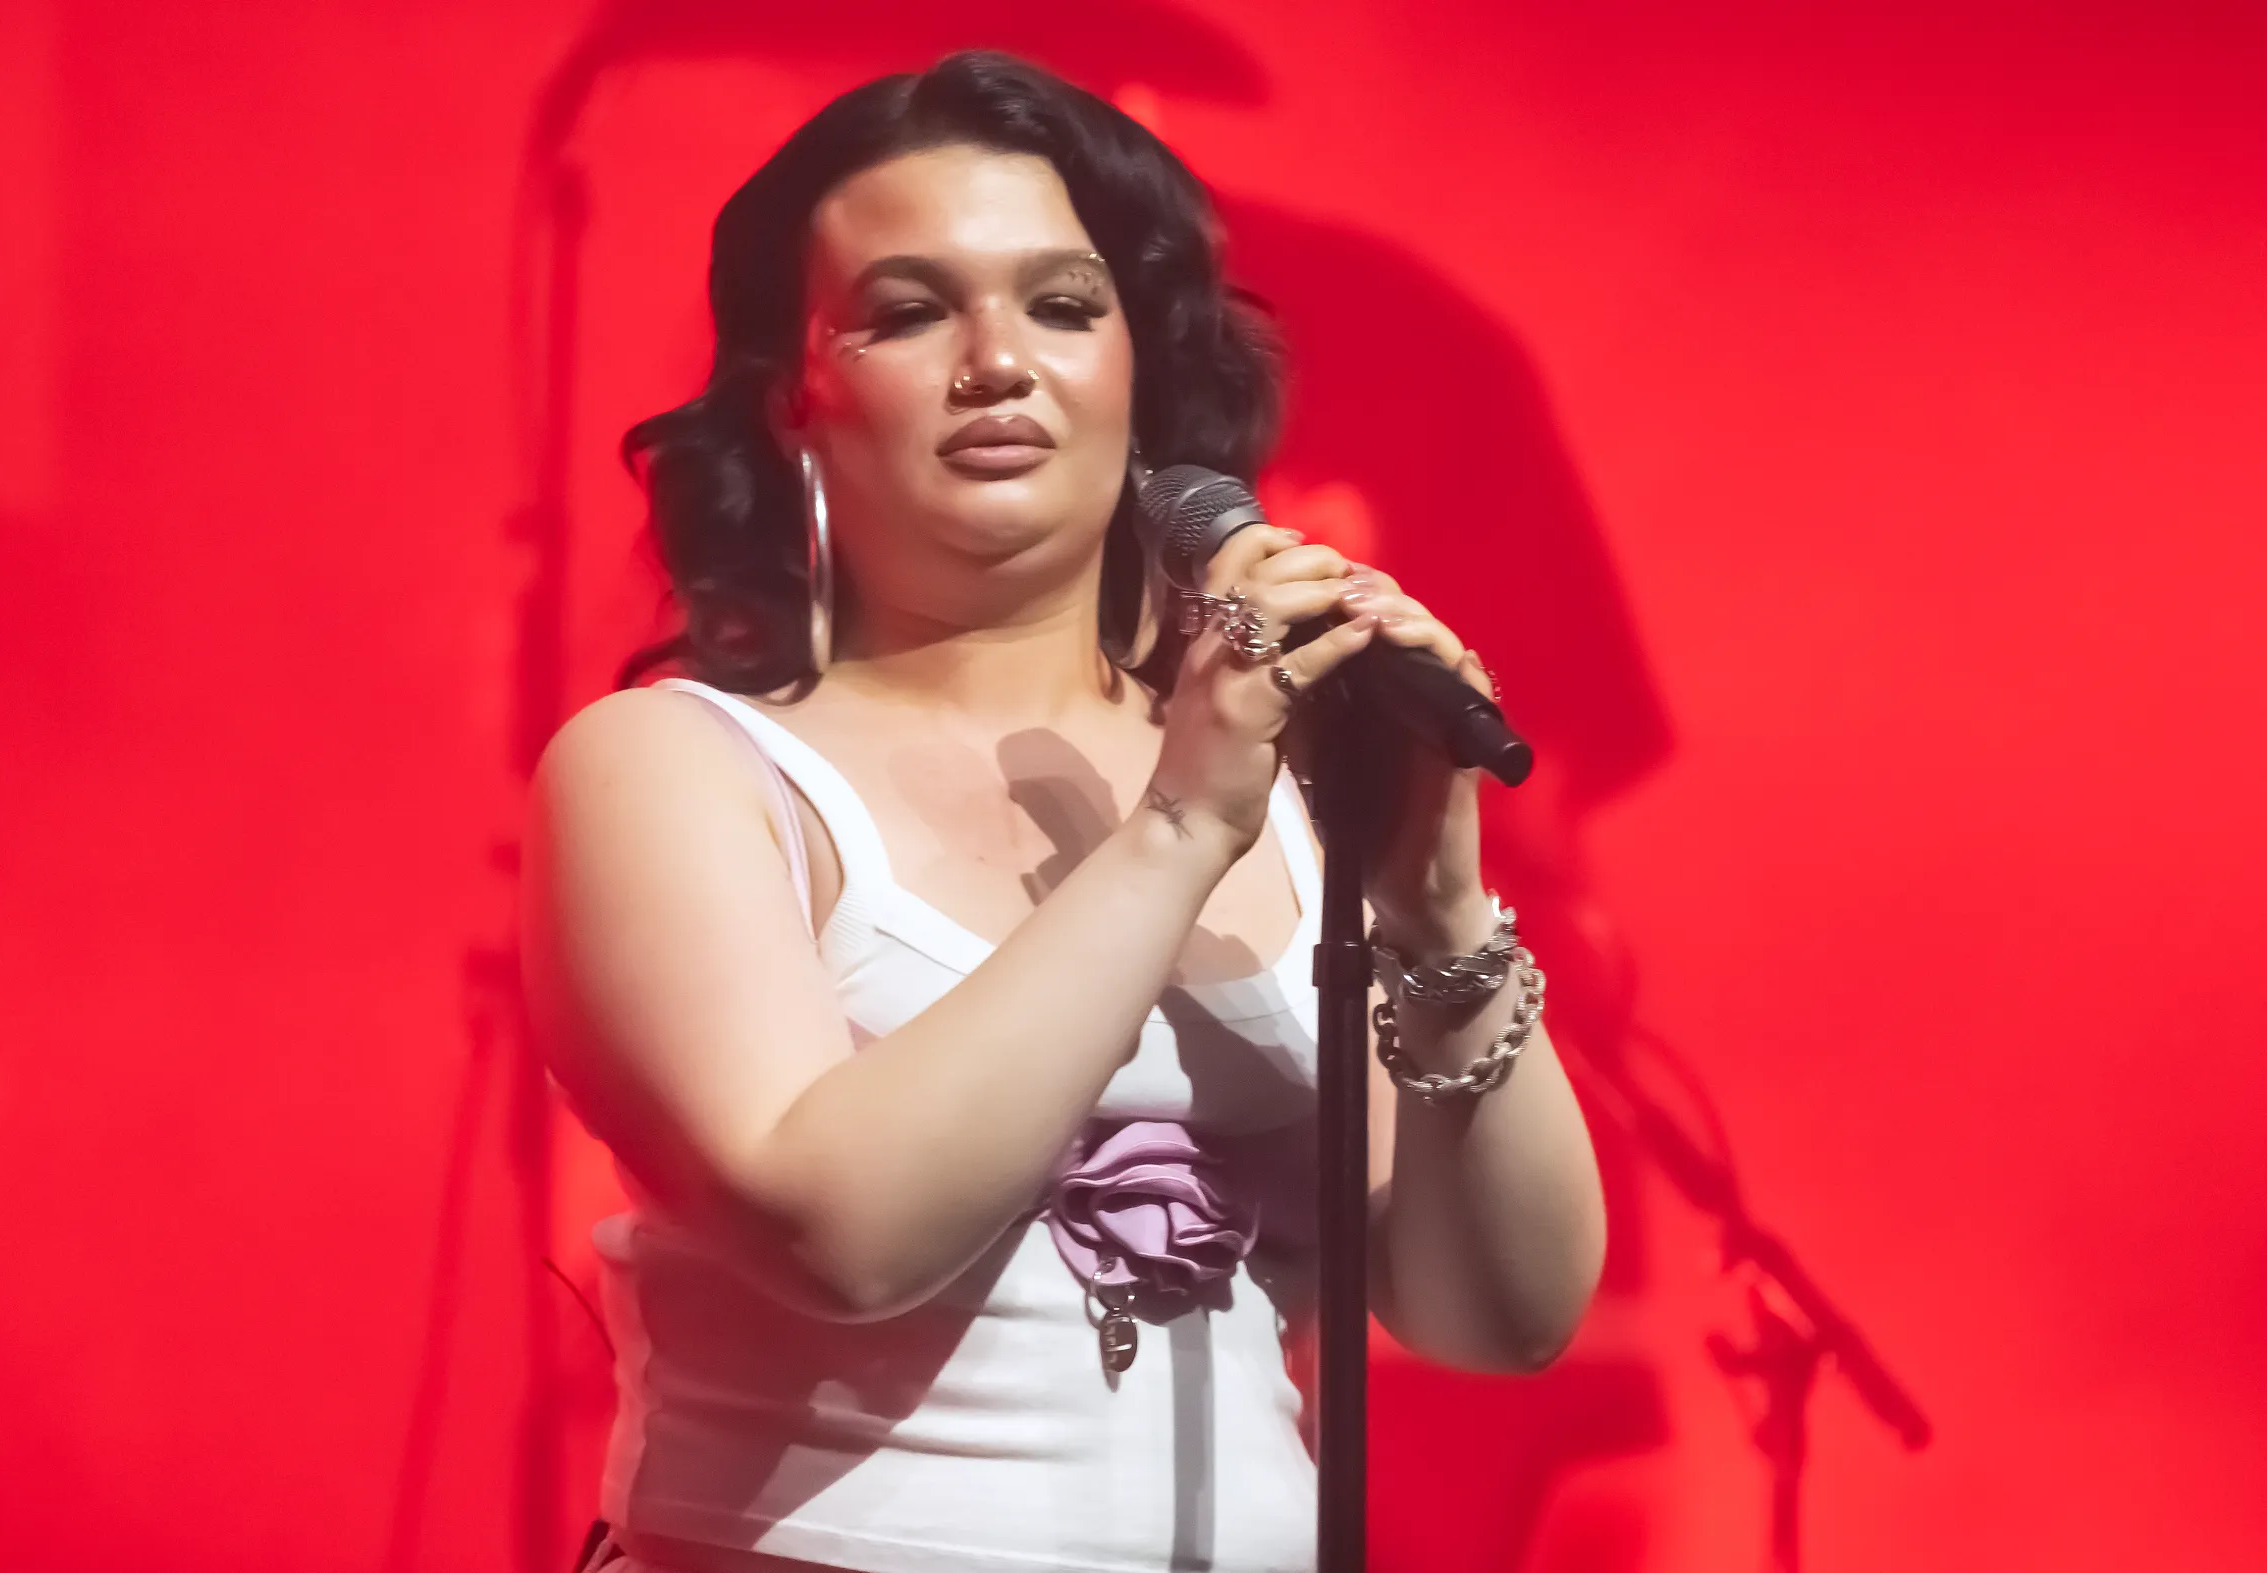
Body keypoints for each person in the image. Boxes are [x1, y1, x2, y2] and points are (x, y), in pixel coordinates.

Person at [522, 50, 1606, 1573]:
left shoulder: (1272, 794)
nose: (996, 362)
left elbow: (1499, 1315)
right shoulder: (676, 767)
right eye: (910, 312)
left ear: (1140, 381)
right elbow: (843, 1230)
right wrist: (1173, 828)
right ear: (791, 405)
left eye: (1063, 305)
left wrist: (1437, 910)